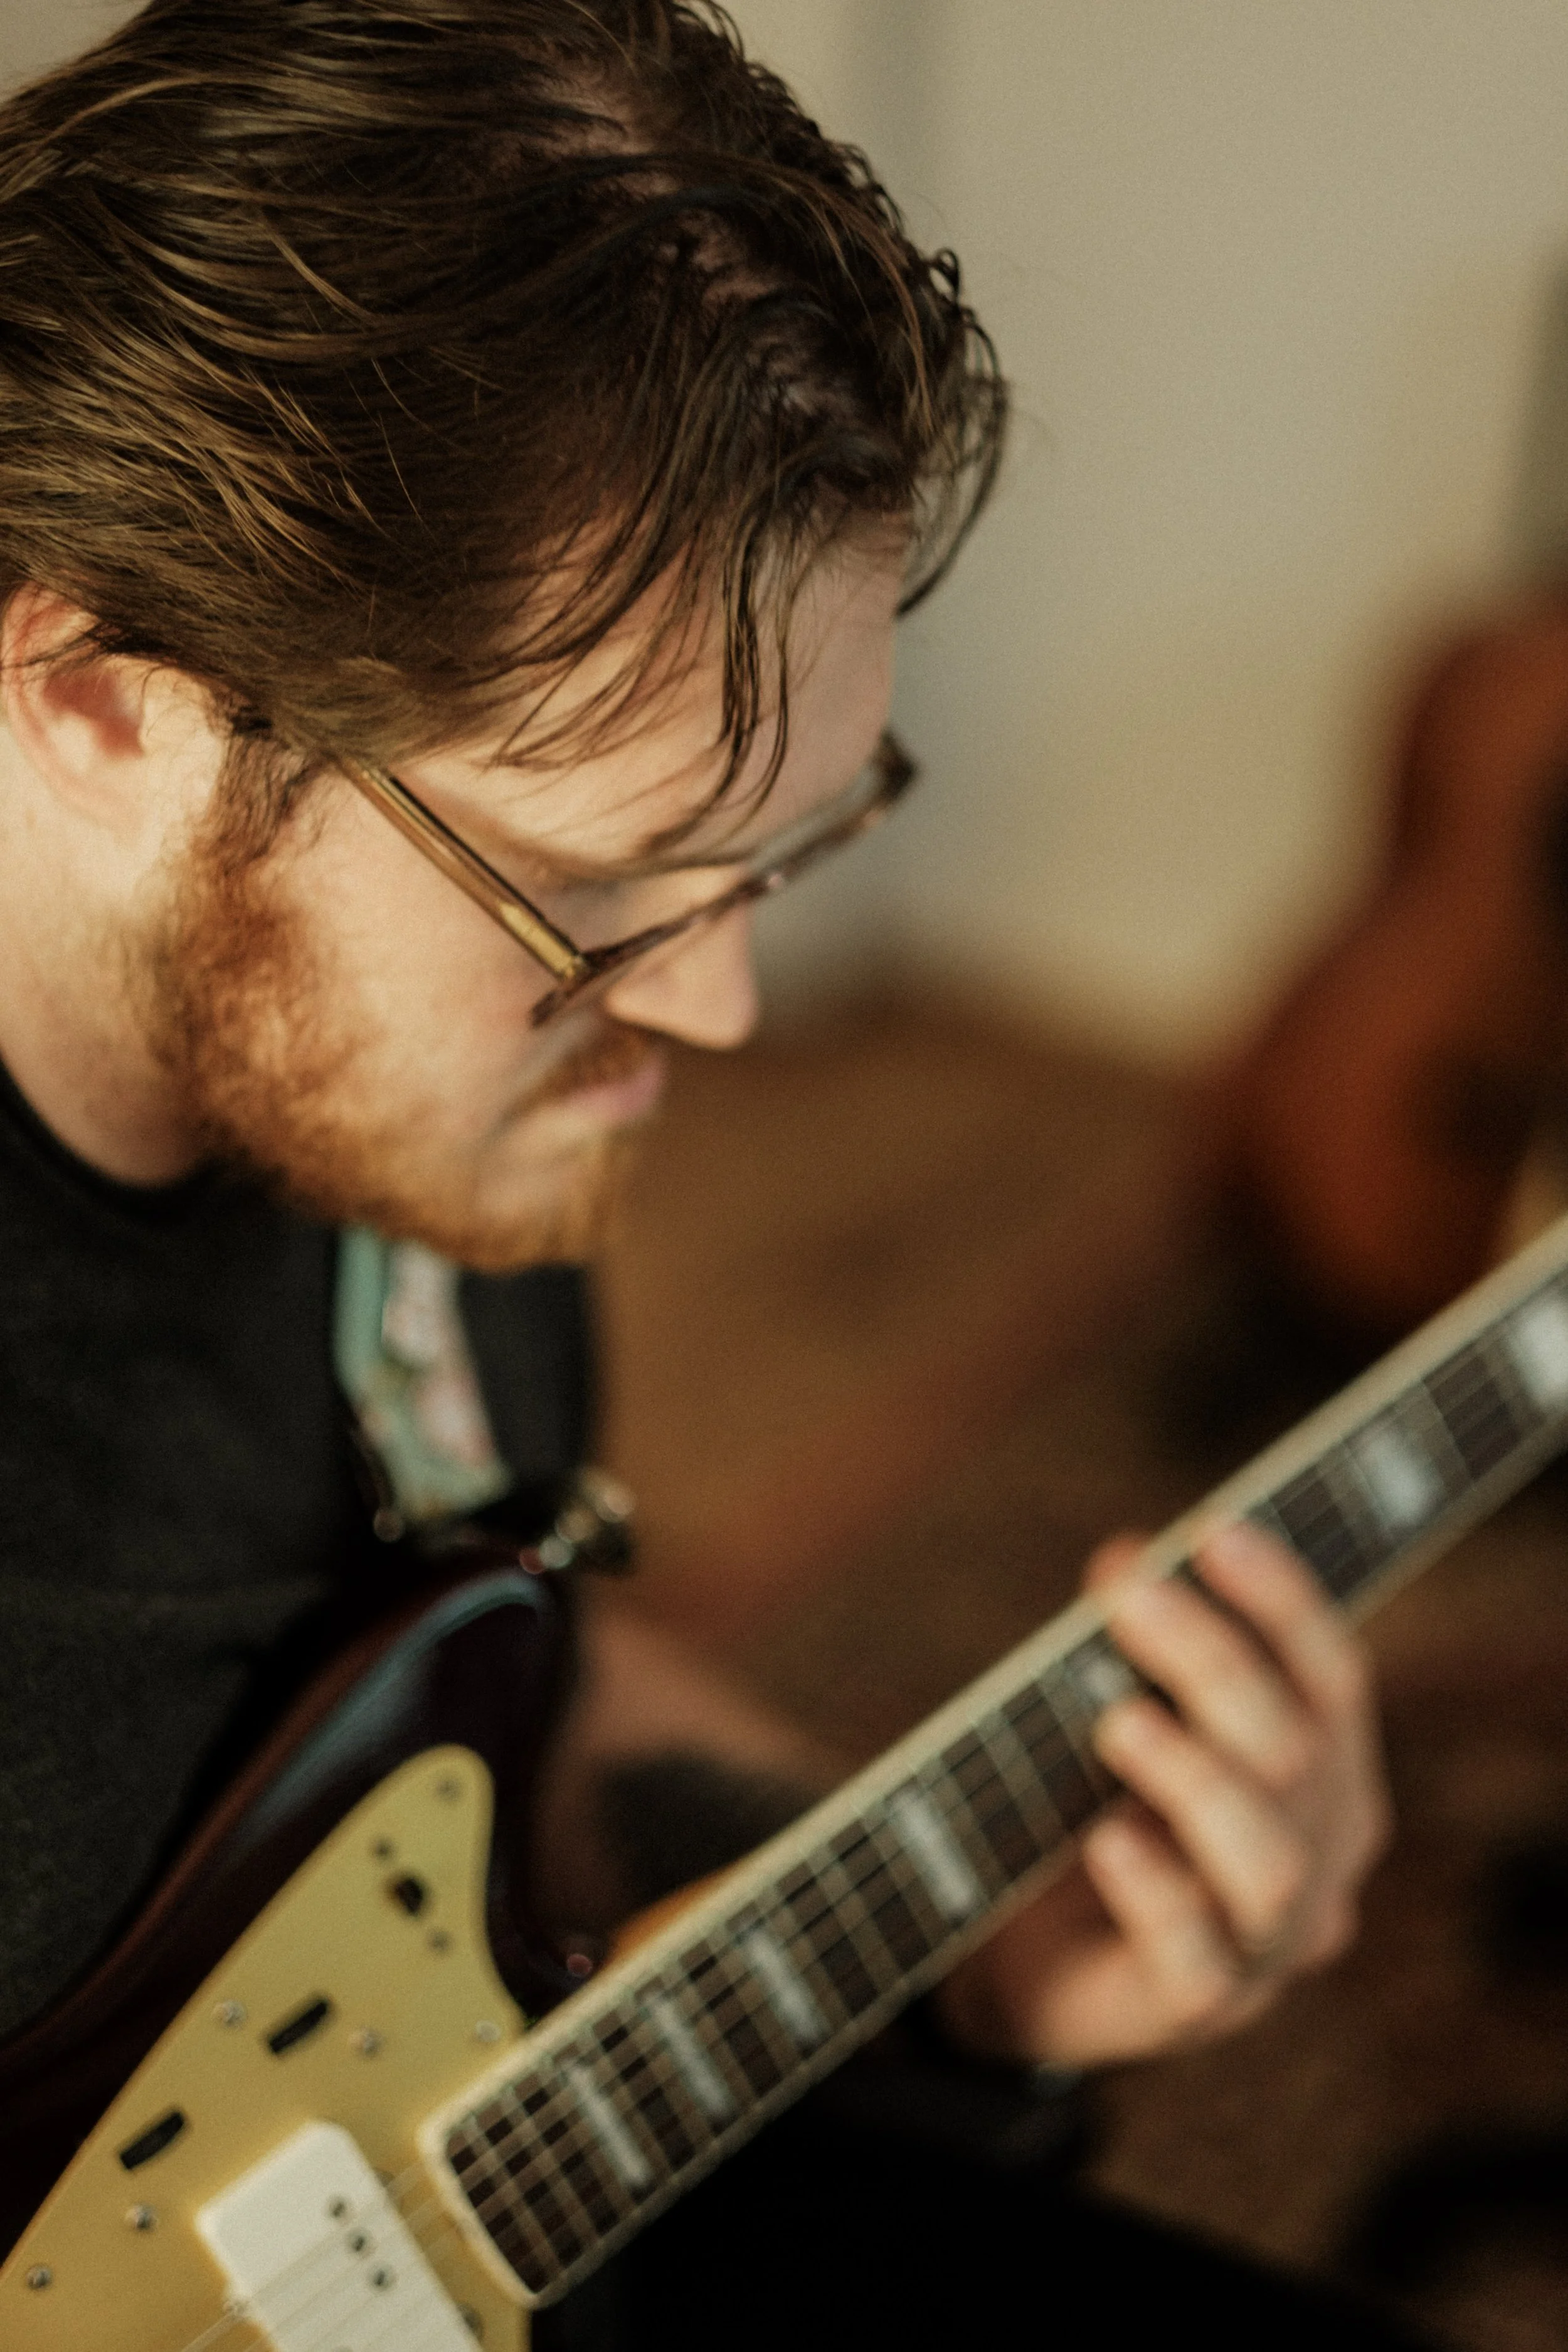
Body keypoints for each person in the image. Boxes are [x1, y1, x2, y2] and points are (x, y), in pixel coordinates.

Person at [0, 3, 1415, 2343]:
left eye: (790, 848)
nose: (722, 1013)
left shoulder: (416, 1113)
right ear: (111, 704)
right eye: (612, 889)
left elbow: (506, 1645)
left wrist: (973, 1942)